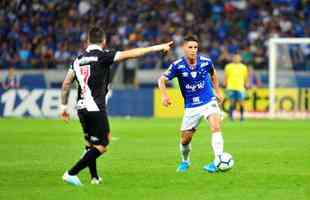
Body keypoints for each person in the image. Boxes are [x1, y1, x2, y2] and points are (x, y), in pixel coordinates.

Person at [59, 26, 172, 186]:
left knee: (91, 144)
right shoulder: (103, 56)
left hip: (81, 108)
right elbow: (133, 54)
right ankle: (71, 173)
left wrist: (63, 107)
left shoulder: (77, 60)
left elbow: (65, 85)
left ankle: (94, 178)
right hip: (95, 107)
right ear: (104, 41)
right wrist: (158, 47)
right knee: (103, 144)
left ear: (88, 41)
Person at [158, 35, 225, 173]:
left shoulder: (206, 62)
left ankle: (218, 160)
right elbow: (161, 80)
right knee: (185, 140)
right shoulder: (177, 65)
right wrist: (164, 96)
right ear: (184, 48)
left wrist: (218, 91)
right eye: (190, 47)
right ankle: (185, 161)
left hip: (208, 101)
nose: (193, 50)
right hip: (191, 107)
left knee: (216, 126)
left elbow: (213, 74)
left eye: (195, 47)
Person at [224, 54, 248, 121]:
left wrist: (245, 85)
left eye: (238, 58)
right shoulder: (228, 66)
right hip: (231, 87)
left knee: (241, 102)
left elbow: (245, 77)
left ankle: (242, 117)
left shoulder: (244, 67)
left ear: (240, 59)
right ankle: (230, 117)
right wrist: (225, 85)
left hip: (240, 87)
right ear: (232, 58)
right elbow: (226, 77)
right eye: (235, 58)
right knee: (231, 102)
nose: (236, 59)